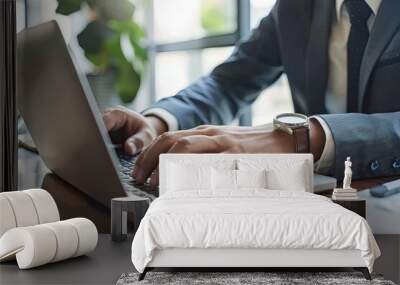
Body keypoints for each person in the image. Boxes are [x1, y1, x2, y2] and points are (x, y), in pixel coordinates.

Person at [102, 0, 400, 186]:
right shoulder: (296, 7)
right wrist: (158, 123)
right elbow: (229, 82)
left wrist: (299, 137)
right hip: (317, 203)